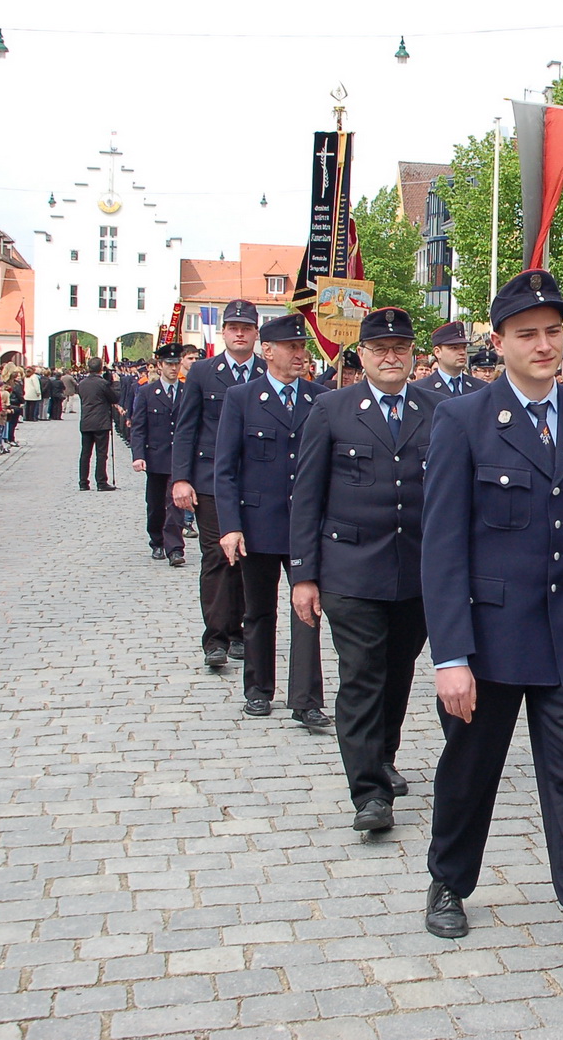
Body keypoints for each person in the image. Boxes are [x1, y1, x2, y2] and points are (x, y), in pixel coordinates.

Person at [419, 269, 563, 1011]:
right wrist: (450, 655)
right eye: (528, 334)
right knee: (470, 772)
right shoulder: (464, 422)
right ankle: (449, 878)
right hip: (488, 644)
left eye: (554, 331)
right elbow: (442, 547)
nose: (545, 345)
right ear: (499, 343)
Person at [291, 307, 443, 833]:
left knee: (398, 672)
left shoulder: (438, 408)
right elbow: (306, 495)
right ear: (361, 354)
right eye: (380, 348)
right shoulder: (332, 409)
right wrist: (303, 575)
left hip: (417, 571)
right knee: (361, 674)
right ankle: (369, 795)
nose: (391, 356)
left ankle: (382, 754)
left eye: (400, 347)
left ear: (413, 355)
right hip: (351, 570)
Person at [214, 314, 329, 730]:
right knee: (259, 611)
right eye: (292, 347)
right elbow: (225, 468)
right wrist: (230, 524)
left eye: (303, 347)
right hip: (259, 522)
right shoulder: (243, 398)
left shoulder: (319, 397)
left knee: (308, 609)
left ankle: (306, 698)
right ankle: (259, 689)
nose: (301, 354)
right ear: (268, 352)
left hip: (306, 526)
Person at [173, 300, 265, 670]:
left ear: (256, 333)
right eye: (232, 327)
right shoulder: (203, 373)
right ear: (222, 332)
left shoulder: (265, 371)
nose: (239, 332)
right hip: (210, 479)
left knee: (249, 558)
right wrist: (181, 478)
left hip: (255, 480)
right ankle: (216, 637)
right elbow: (186, 428)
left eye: (246, 327)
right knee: (216, 557)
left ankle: (242, 632)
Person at [129, 343, 188, 566]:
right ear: (160, 366)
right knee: (155, 504)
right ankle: (157, 541)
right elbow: (139, 427)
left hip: (179, 458)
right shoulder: (146, 393)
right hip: (155, 457)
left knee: (176, 504)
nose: (174, 368)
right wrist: (138, 454)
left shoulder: (187, 391)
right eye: (170, 364)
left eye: (177, 364)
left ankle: (175, 548)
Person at [75, 358, 122, 492]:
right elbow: (114, 398)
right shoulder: (102, 383)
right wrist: (116, 383)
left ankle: (83, 482)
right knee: (101, 454)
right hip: (101, 422)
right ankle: (101, 481)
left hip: (86, 421)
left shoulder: (82, 384)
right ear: (101, 368)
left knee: (85, 453)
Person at [420, 321, 484, 396]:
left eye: (464, 347)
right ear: (437, 352)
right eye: (454, 348)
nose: (462, 352)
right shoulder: (421, 389)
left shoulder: (481, 388)